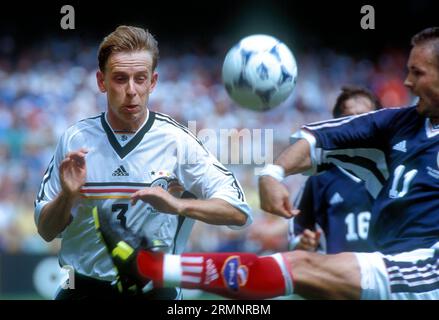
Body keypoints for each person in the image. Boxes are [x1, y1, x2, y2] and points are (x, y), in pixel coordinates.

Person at [94, 26, 439, 300]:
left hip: (428, 269)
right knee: (300, 268)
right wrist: (274, 172)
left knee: (300, 269)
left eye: (417, 72)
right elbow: (318, 138)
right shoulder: (402, 124)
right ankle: (148, 269)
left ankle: (147, 268)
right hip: (391, 260)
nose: (407, 82)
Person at [34, 25, 252, 300]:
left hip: (155, 291)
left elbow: (238, 211)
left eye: (140, 78)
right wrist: (67, 196)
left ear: (153, 82)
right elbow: (45, 231)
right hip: (81, 289)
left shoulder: (178, 142)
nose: (131, 90)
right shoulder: (74, 140)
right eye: (120, 79)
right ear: (102, 82)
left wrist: (178, 205)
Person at [289, 85, 380, 253]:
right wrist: (302, 243)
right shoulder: (320, 178)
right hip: (340, 275)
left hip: (390, 276)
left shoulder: (396, 171)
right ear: (337, 126)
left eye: (365, 117)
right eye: (348, 118)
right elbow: (297, 229)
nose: (357, 125)